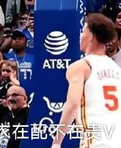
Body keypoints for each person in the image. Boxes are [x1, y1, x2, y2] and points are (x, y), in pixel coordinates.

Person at [51, 13, 121, 148]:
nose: (80, 35)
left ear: (91, 36)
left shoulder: (82, 66)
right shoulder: (117, 68)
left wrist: (57, 142)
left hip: (96, 141)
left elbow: (72, 104)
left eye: (83, 31)